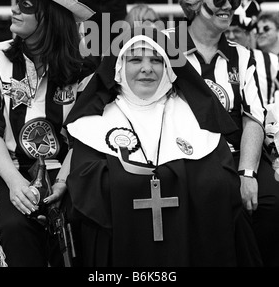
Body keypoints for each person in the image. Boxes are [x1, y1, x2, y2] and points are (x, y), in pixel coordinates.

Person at [52, 26, 262, 267]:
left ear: (169, 68)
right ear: (119, 67)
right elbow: (86, 183)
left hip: (191, 246)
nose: (146, 68)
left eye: (156, 60)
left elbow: (219, 183)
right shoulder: (93, 121)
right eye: (135, 60)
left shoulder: (195, 117)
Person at [165, 0, 279, 266]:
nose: (229, 6)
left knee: (271, 202)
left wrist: (248, 173)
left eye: (234, 0)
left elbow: (253, 118)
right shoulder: (164, 49)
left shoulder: (241, 57)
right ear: (193, 1)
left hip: (234, 157)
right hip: (185, 158)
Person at [0, 0, 96, 267]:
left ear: (50, 15)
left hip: (69, 174)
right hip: (9, 173)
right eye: (18, 0)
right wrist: (15, 183)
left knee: (86, 221)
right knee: (14, 227)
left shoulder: (84, 69)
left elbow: (83, 135)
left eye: (26, 3)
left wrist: (63, 182)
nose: (14, 9)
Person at [225, 10, 278, 106]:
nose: (231, 36)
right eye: (227, 32)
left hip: (266, 119)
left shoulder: (270, 60)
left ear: (248, 35)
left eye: (236, 31)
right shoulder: (217, 60)